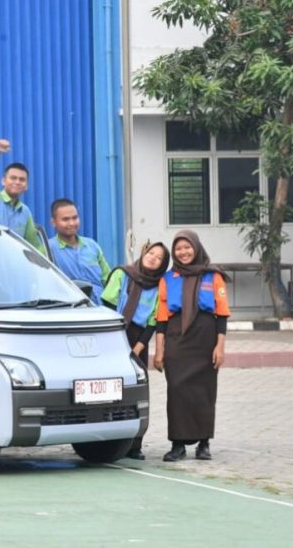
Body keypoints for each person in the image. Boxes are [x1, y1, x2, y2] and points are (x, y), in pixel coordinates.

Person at [153, 230, 230, 462]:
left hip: (205, 338)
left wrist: (220, 347)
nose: (183, 252)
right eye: (178, 248)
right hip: (177, 339)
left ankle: (204, 443)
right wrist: (159, 350)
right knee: (176, 390)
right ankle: (177, 444)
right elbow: (162, 317)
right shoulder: (167, 279)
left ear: (196, 248)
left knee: (204, 391)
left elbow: (222, 314)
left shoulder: (213, 276)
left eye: (187, 247)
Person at [101, 241, 170, 460]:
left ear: (163, 264)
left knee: (136, 392)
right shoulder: (123, 274)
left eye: (159, 258)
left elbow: (154, 321)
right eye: (151, 253)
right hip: (113, 334)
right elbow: (107, 304)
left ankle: (134, 445)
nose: (153, 258)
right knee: (109, 391)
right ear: (144, 253)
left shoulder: (160, 285)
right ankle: (107, 441)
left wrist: (136, 349)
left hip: (138, 341)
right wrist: (114, 341)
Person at [0, 138, 46, 253]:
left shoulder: (25, 212)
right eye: (13, 178)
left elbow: (34, 246)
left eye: (22, 179)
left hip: (10, 266)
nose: (17, 182)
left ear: (26, 186)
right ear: (3, 181)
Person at [48, 198, 111, 303]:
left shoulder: (92, 246)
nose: (72, 223)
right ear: (53, 222)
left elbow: (108, 279)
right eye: (65, 219)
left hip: (100, 309)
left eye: (75, 218)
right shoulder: (48, 248)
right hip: (70, 309)